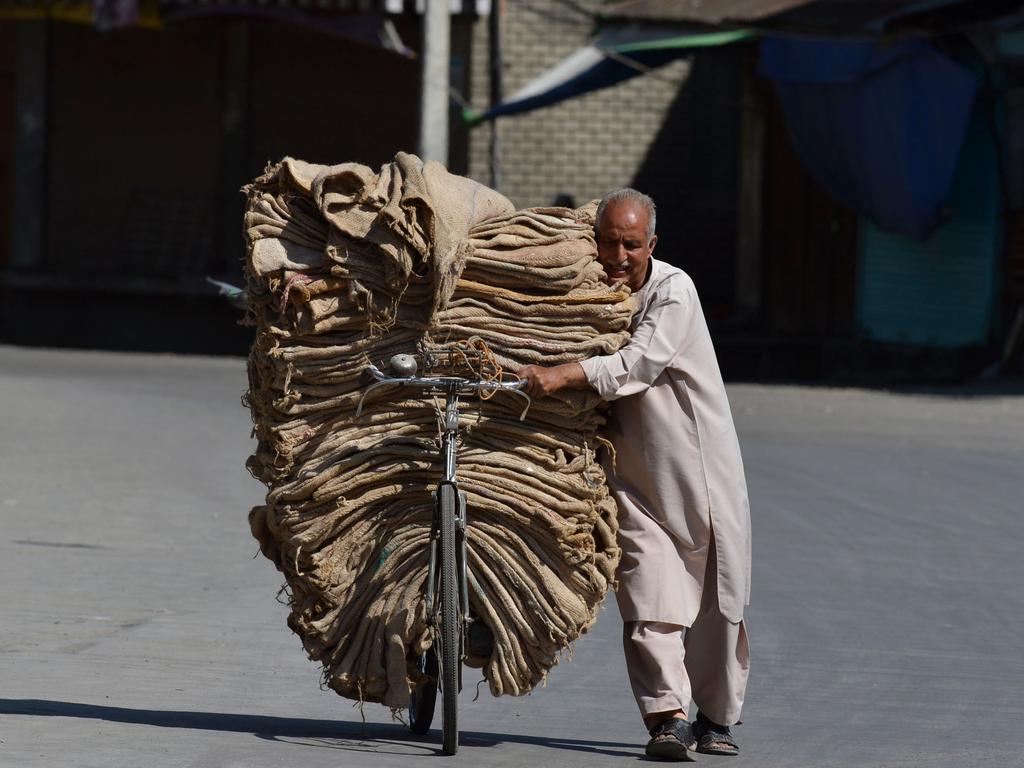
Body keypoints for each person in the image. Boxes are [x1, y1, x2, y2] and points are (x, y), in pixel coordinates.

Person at [518, 188, 751, 761]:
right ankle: (667, 720)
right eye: (608, 242)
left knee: (720, 607)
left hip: (701, 474)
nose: (618, 256)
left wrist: (565, 373)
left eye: (631, 244)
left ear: (653, 244)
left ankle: (716, 719)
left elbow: (640, 362)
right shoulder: (590, 290)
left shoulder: (674, 290)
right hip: (634, 478)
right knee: (649, 598)